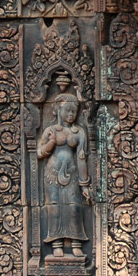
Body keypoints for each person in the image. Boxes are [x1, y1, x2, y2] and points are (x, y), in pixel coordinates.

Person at [37, 74, 90, 259]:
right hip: (51, 174)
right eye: (67, 111)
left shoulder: (79, 132)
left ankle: (76, 242)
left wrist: (84, 185)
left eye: (73, 112)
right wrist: (50, 144)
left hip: (72, 174)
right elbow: (39, 152)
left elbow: (82, 157)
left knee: (74, 207)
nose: (70, 115)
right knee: (54, 207)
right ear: (58, 111)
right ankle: (56, 243)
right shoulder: (50, 131)